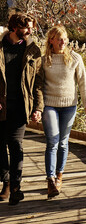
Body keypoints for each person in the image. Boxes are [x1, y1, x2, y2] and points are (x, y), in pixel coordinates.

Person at [40, 25, 86, 198]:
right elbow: (37, 85)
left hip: (69, 106)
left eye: (65, 39)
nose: (63, 42)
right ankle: (50, 179)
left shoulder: (75, 58)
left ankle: (59, 175)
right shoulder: (43, 60)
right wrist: (37, 108)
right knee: (52, 141)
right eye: (59, 39)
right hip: (50, 105)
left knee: (63, 142)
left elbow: (83, 83)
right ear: (51, 41)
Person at [0, 13, 43, 205]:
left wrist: (38, 108)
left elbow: (38, 84)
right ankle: (6, 182)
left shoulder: (33, 50)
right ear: (15, 27)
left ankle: (16, 186)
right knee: (0, 146)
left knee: (16, 145)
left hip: (20, 107)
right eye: (27, 28)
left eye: (31, 28)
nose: (30, 31)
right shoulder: (0, 46)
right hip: (1, 108)